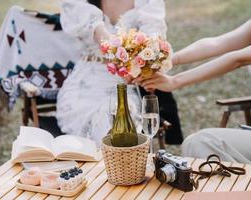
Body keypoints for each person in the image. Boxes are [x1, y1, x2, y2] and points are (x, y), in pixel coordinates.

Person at [134, 0, 251, 167]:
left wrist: (174, 81)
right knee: (197, 145)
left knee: (201, 143)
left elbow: (238, 59)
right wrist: (164, 62)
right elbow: (215, 44)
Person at [56, 0, 183, 145]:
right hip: (87, 84)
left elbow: (155, 39)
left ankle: (119, 162)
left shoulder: (148, 3)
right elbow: (101, 35)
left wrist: (147, 59)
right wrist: (122, 51)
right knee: (102, 119)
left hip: (130, 83)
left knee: (121, 116)